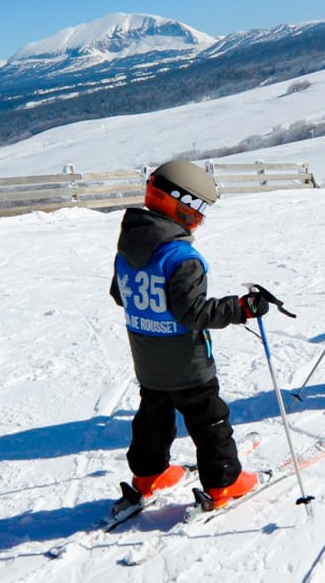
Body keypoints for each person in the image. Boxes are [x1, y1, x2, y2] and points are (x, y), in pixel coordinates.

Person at [110, 160, 275, 510]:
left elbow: (118, 293)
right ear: (178, 204)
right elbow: (193, 313)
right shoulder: (182, 257)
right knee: (210, 420)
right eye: (197, 208)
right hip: (187, 363)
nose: (200, 218)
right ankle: (224, 483)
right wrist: (243, 307)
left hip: (148, 359)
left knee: (153, 418)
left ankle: (148, 475)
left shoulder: (129, 246)